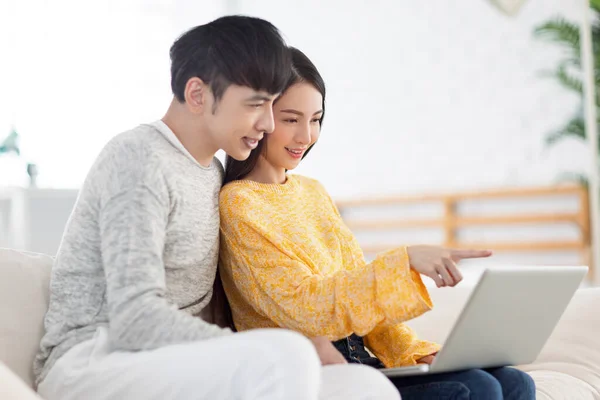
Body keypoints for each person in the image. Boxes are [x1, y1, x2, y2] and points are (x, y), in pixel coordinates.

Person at [34, 17, 399, 400]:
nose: (269, 123)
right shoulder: (138, 158)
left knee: (365, 387)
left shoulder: (213, 174)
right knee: (287, 354)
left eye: (274, 106)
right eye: (257, 105)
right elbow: (134, 321)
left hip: (175, 361)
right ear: (197, 95)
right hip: (95, 360)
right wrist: (258, 348)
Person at [218, 46, 537, 400]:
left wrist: (413, 353)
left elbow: (359, 289)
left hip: (362, 362)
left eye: (316, 119)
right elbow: (304, 307)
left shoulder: (312, 192)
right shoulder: (239, 204)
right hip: (317, 372)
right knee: (476, 389)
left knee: (516, 382)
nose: (306, 136)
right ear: (259, 117)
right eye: (291, 119)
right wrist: (406, 260)